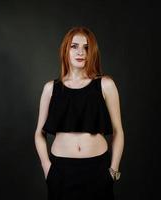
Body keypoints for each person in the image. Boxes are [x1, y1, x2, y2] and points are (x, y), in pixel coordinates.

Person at [34, 26, 124, 200]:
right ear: (65, 50)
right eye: (74, 46)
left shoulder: (106, 85)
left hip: (97, 170)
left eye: (86, 47)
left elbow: (118, 132)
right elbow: (39, 134)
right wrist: (47, 168)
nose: (80, 52)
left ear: (92, 53)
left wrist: (113, 171)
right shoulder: (50, 89)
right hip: (61, 172)